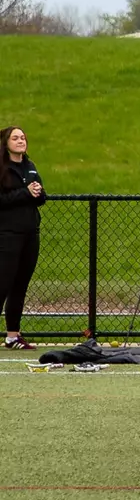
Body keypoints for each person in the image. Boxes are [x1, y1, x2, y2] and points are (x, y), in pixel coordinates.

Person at [1, 126, 46, 350]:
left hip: (30, 233)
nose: (21, 141)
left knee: (20, 285)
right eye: (15, 138)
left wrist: (38, 192)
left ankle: (13, 336)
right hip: (7, 234)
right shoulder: (3, 168)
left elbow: (41, 198)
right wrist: (24, 192)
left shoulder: (30, 166)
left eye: (23, 138)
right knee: (3, 284)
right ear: (6, 143)